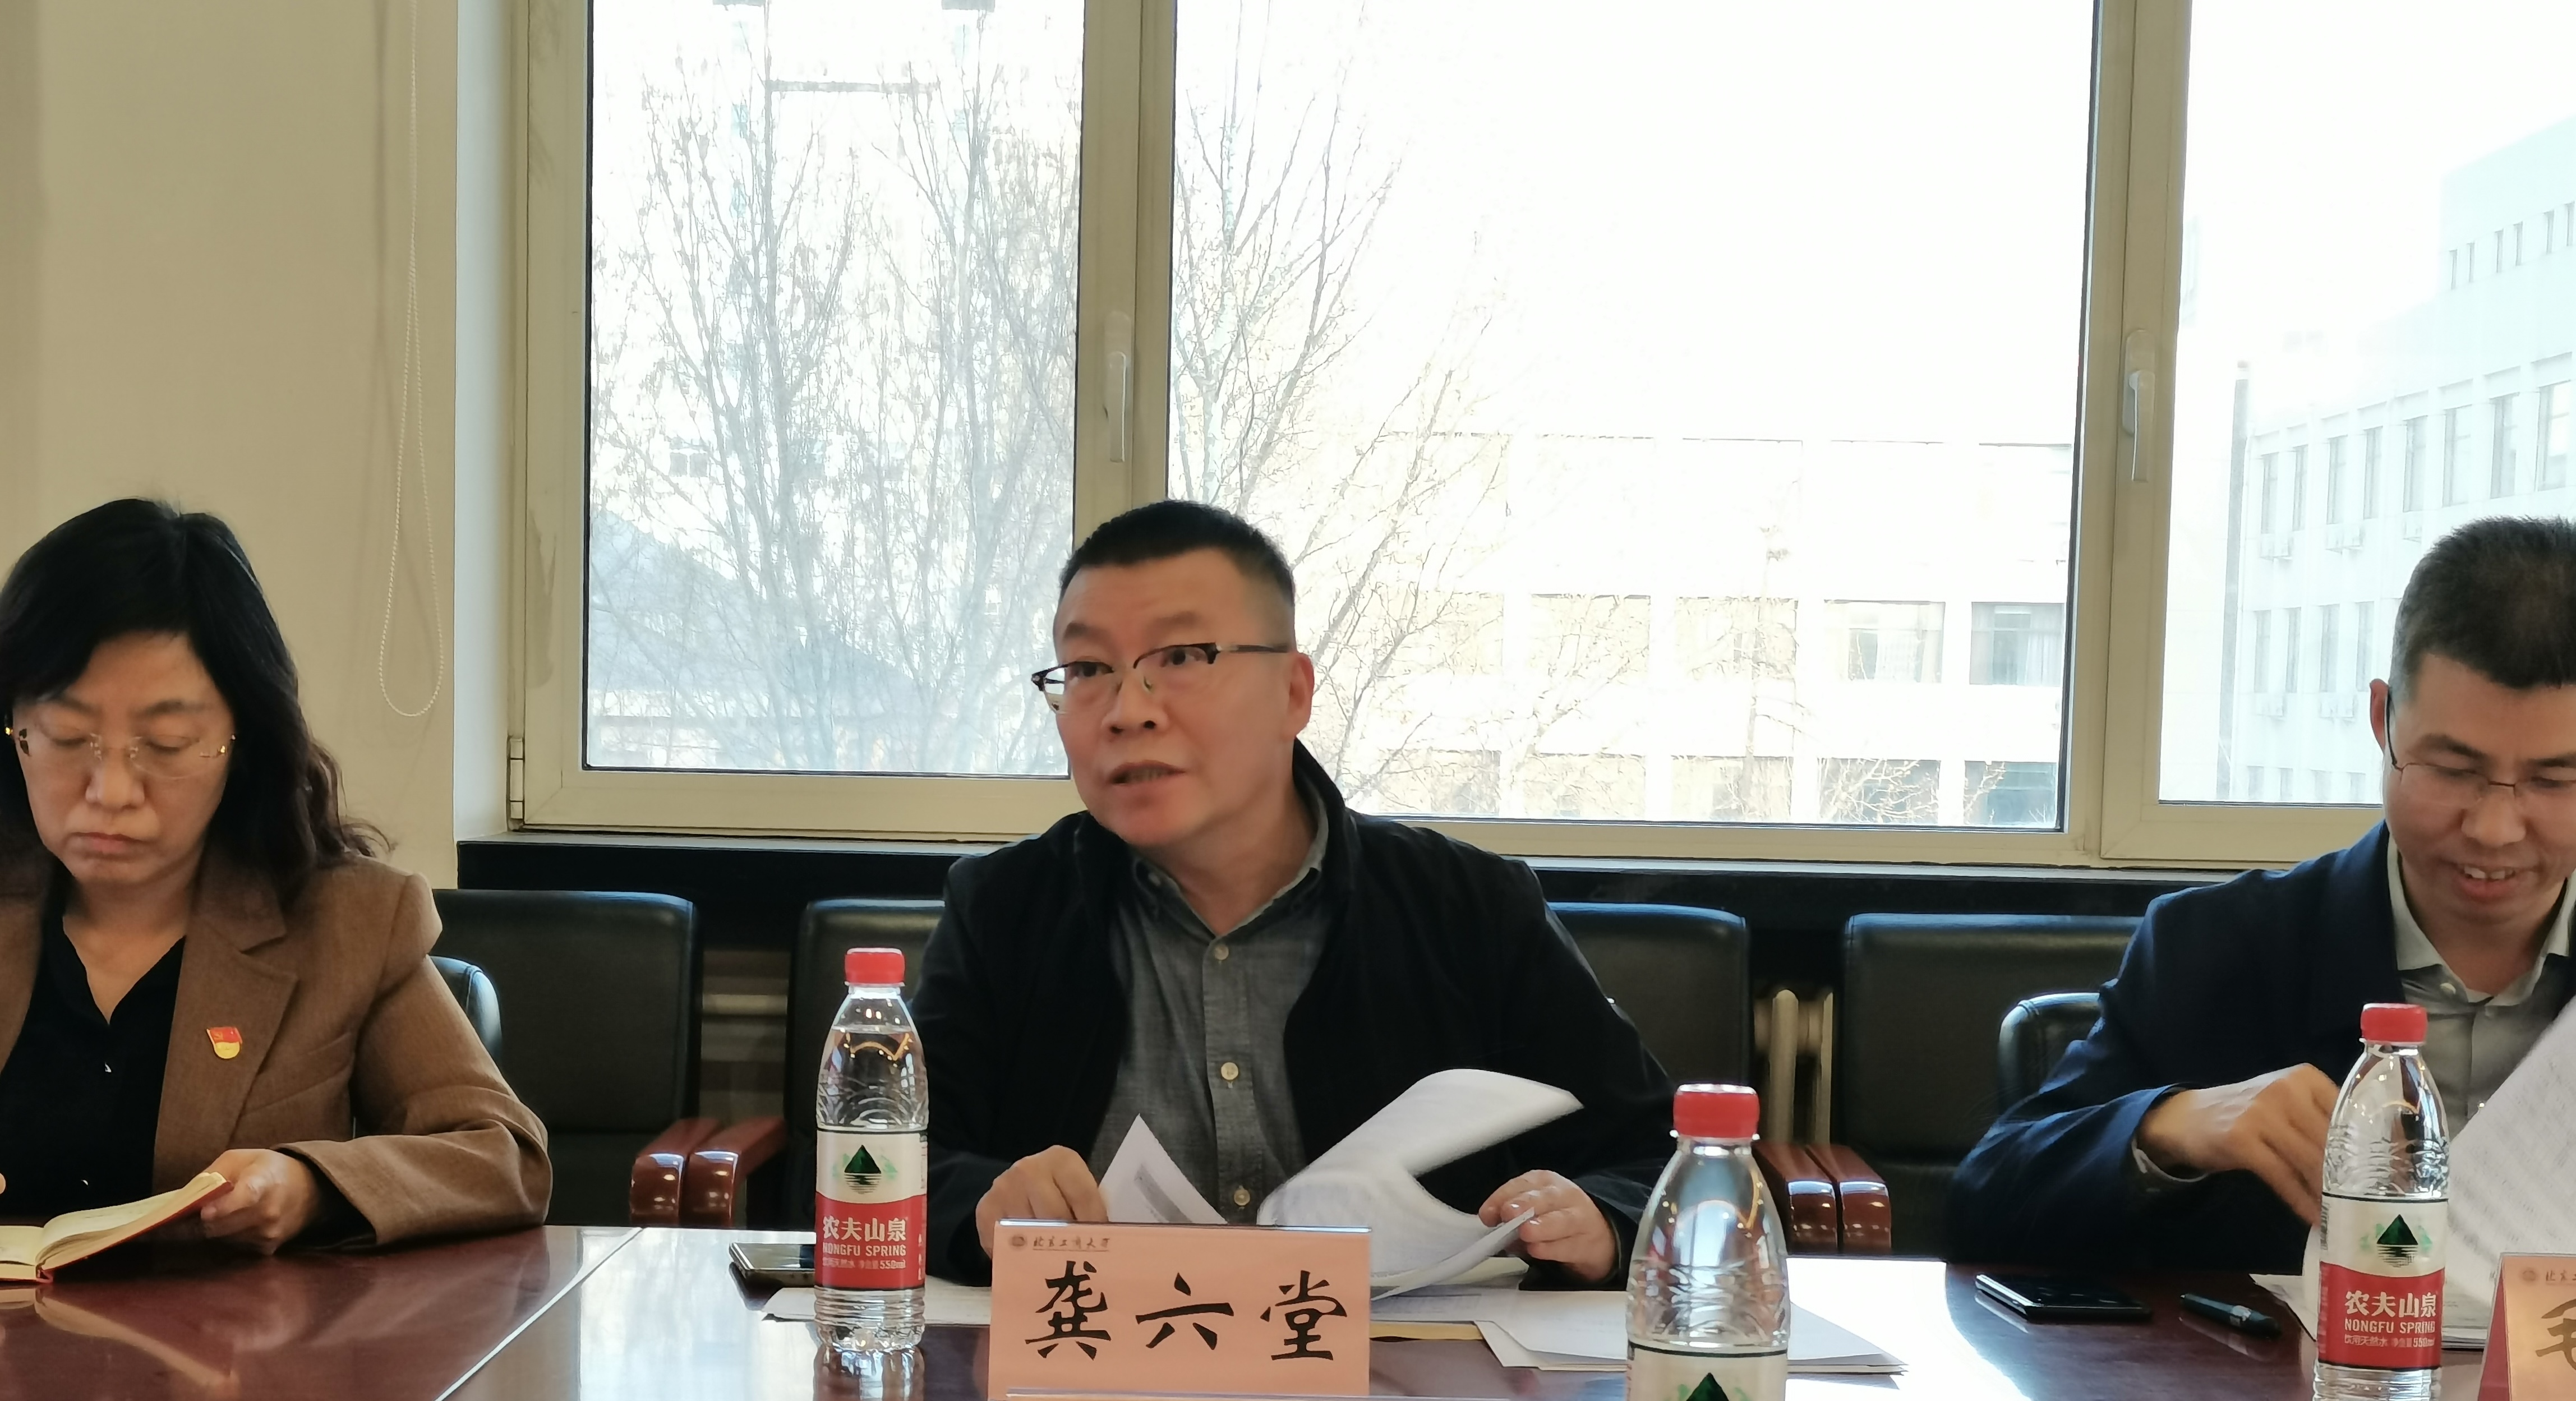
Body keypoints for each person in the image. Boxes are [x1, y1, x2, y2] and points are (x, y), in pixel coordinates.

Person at [914, 500, 1674, 1285]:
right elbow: (881, 1162)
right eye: (1087, 670)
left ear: (1293, 693)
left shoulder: (1469, 907)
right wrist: (983, 1206)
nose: (1127, 710)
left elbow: (1663, 1158)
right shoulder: (1004, 908)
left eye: (1181, 656)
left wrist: (1603, 1219)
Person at [1951, 515, 2576, 1272]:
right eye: (2451, 769)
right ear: (2381, 720)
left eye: (2554, 780)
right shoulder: (2218, 949)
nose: (2494, 829)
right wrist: (2169, 1128)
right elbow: (1986, 1204)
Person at [0, 499, 549, 1250]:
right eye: (67, 737)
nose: (112, 791)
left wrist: (313, 1185)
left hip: (236, 1327)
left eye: (167, 743)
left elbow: (503, 1157)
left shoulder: (344, 926)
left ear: (243, 742)